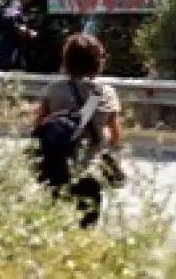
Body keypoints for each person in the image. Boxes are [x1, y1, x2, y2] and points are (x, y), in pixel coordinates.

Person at [33, 33, 122, 228]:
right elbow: (115, 137)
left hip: (55, 170)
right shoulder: (105, 93)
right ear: (98, 61)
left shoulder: (53, 90)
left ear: (66, 59)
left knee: (52, 226)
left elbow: (38, 126)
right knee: (87, 228)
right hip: (89, 172)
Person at [0, 0, 39, 70]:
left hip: (9, 48)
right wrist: (29, 32)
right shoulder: (15, 5)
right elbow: (14, 24)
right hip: (9, 49)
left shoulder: (19, 6)